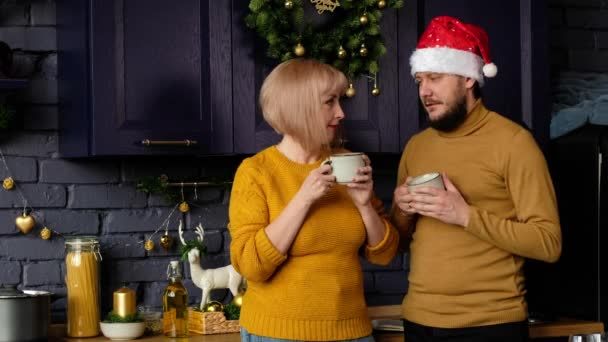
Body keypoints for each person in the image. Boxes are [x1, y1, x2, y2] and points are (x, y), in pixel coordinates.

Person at [390, 16, 562, 342]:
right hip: (418, 321)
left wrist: (465, 215)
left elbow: (548, 243)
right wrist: (402, 209)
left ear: (469, 79)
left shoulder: (514, 143)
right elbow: (396, 244)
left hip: (490, 325)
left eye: (436, 78)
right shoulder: (417, 147)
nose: (424, 91)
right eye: (419, 81)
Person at [228, 58, 400, 342]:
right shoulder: (256, 172)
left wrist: (364, 205)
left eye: (340, 101)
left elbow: (385, 254)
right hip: (276, 334)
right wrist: (303, 199)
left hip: (351, 332)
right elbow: (250, 265)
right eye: (329, 102)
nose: (342, 113)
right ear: (300, 107)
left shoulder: (348, 163)